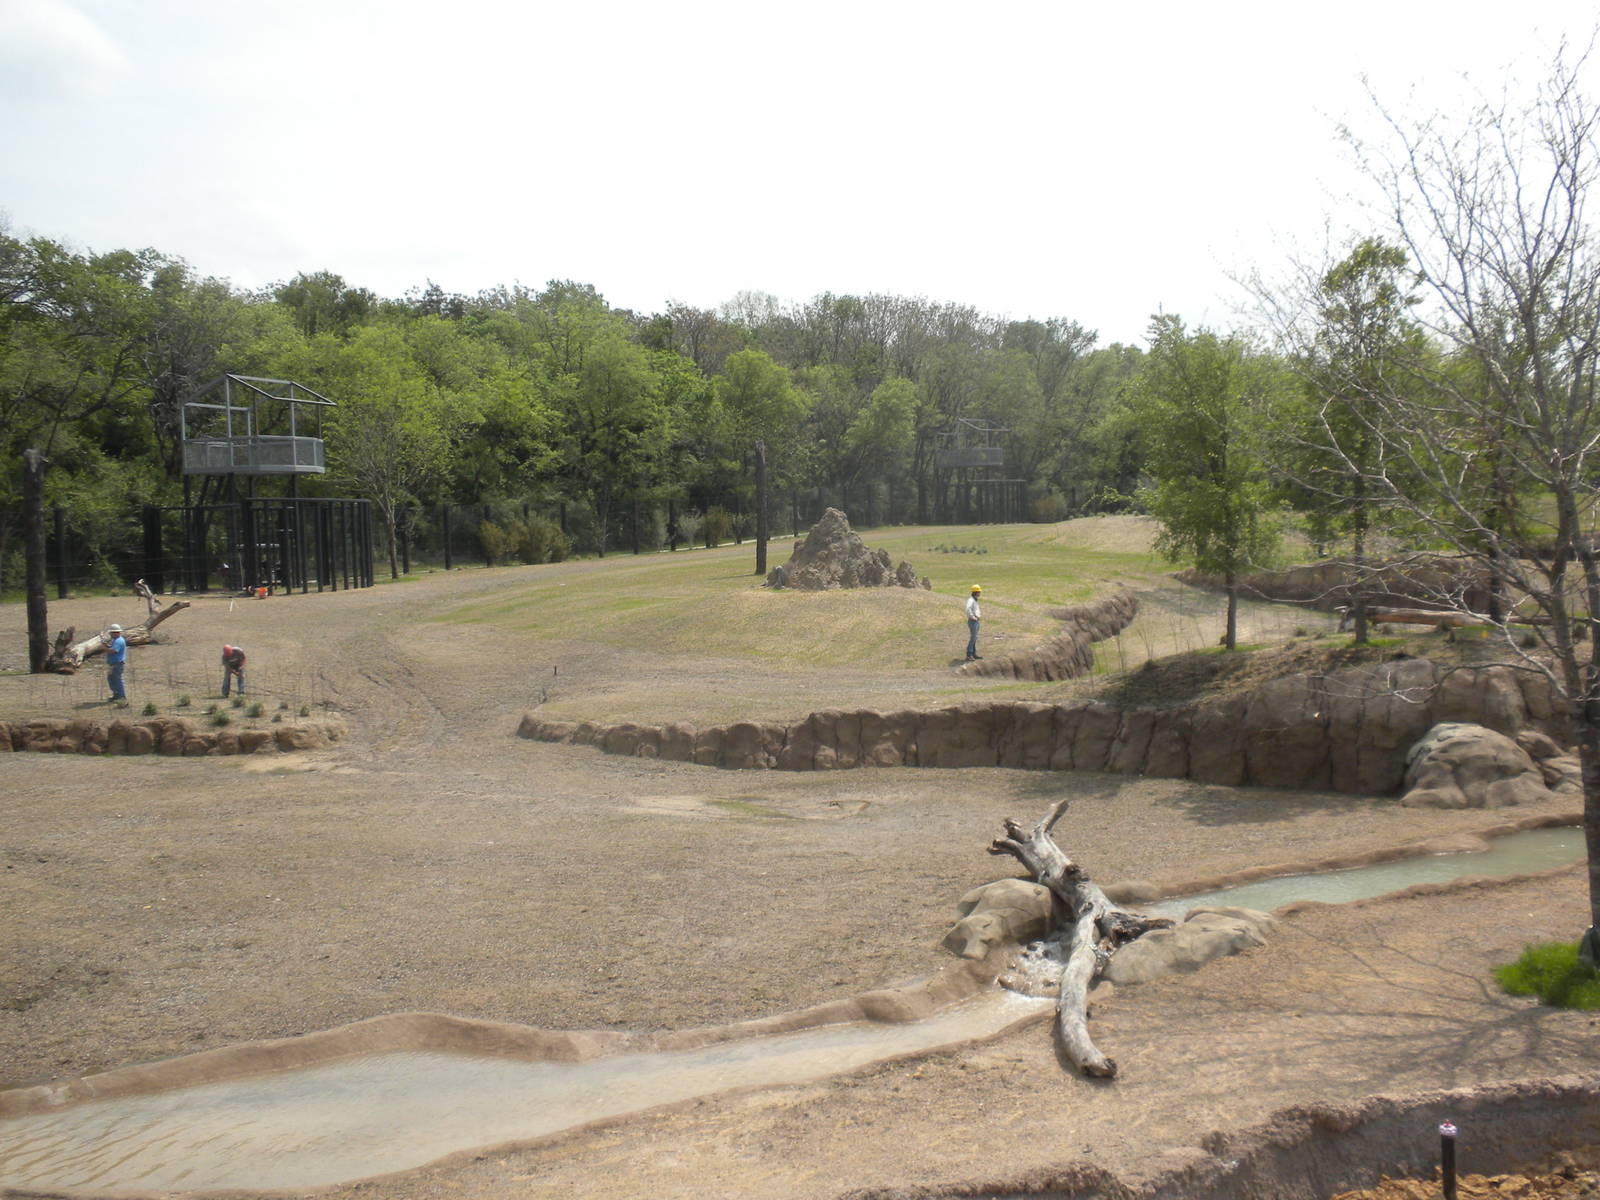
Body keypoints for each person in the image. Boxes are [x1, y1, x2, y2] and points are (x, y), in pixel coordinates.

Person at [105, 624, 128, 702]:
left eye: (111, 633)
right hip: (113, 663)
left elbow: (114, 651)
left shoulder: (118, 641)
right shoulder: (116, 640)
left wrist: (103, 648)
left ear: (116, 633)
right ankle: (116, 694)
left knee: (117, 679)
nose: (110, 634)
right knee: (111, 679)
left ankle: (121, 696)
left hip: (116, 664)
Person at [965, 584, 983, 661]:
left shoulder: (974, 600)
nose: (980, 593)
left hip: (975, 621)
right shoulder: (971, 600)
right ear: (975, 592)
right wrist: (973, 617)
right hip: (973, 621)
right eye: (979, 591)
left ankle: (973, 653)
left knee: (975, 638)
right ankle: (969, 654)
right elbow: (968, 609)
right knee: (973, 638)